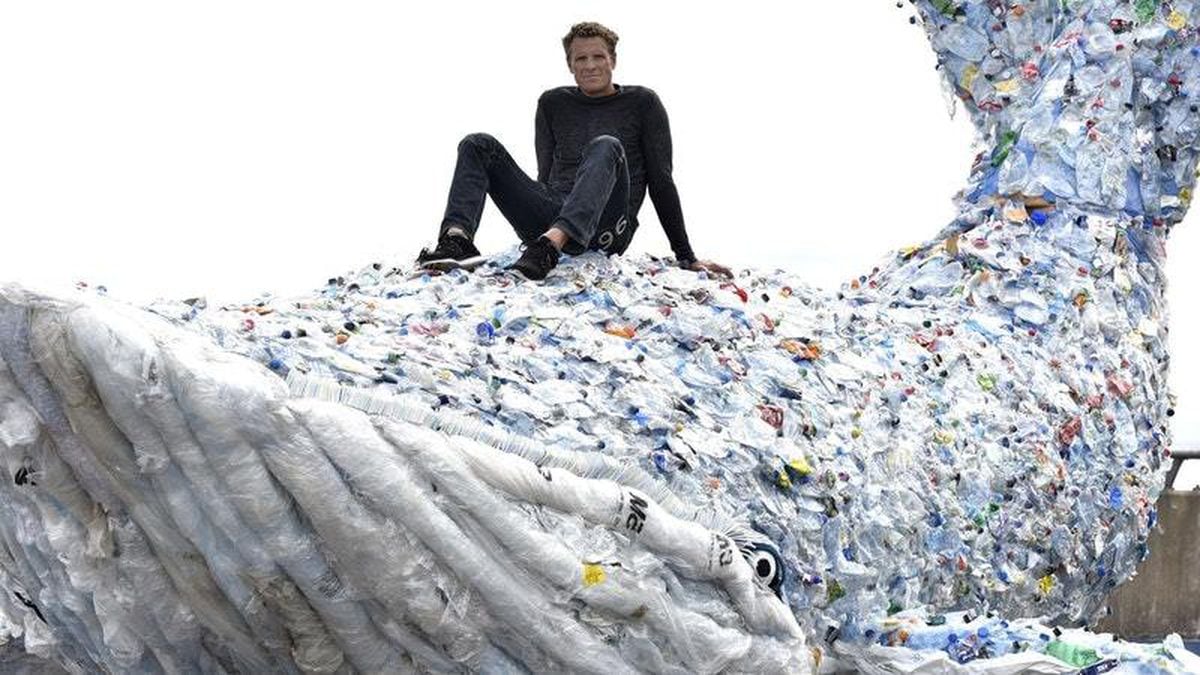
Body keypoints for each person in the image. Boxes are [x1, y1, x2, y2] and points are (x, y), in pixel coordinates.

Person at [416, 21, 732, 280]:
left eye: (598, 57)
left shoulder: (643, 103)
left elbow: (661, 182)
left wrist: (686, 256)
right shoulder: (552, 103)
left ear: (613, 61)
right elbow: (545, 175)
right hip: (553, 214)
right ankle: (457, 240)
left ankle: (551, 246)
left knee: (606, 145)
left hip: (608, 225)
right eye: (581, 59)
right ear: (570, 65)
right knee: (477, 143)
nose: (590, 65)